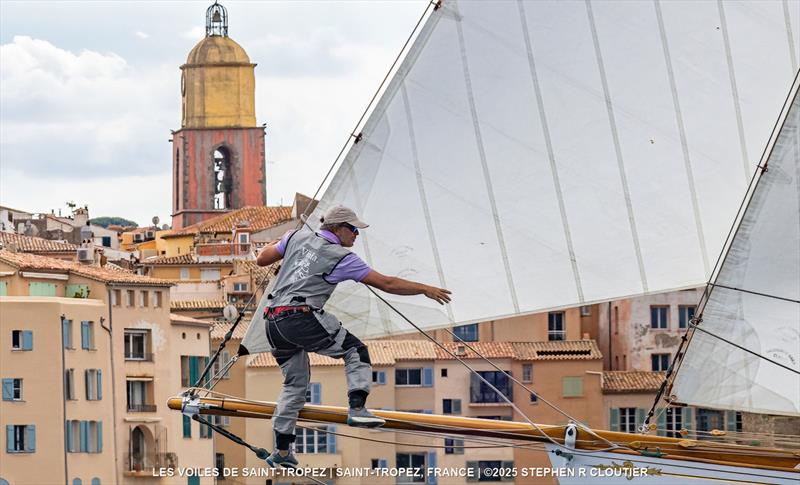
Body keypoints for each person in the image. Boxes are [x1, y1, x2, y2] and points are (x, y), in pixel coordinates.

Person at [256, 205, 451, 467]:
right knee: (355, 351)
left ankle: (282, 451)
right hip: (298, 316)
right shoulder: (341, 257)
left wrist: (274, 244)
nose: (357, 235)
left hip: (271, 323)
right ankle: (357, 408)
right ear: (337, 228)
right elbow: (388, 283)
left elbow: (261, 259)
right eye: (354, 229)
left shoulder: (295, 236)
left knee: (294, 385)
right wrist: (423, 288)